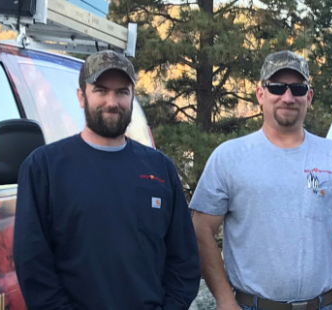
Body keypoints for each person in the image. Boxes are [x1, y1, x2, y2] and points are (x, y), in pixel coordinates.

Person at [13, 50, 200, 310]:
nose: (112, 102)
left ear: (133, 97)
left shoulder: (160, 170)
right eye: (101, 91)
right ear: (81, 96)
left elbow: (184, 261)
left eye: (122, 92)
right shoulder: (43, 168)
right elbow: (33, 265)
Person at [189, 50, 332, 310]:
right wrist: (224, 299)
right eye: (277, 87)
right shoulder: (229, 158)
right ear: (260, 95)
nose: (288, 97)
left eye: (298, 89)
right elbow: (200, 230)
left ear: (308, 97)